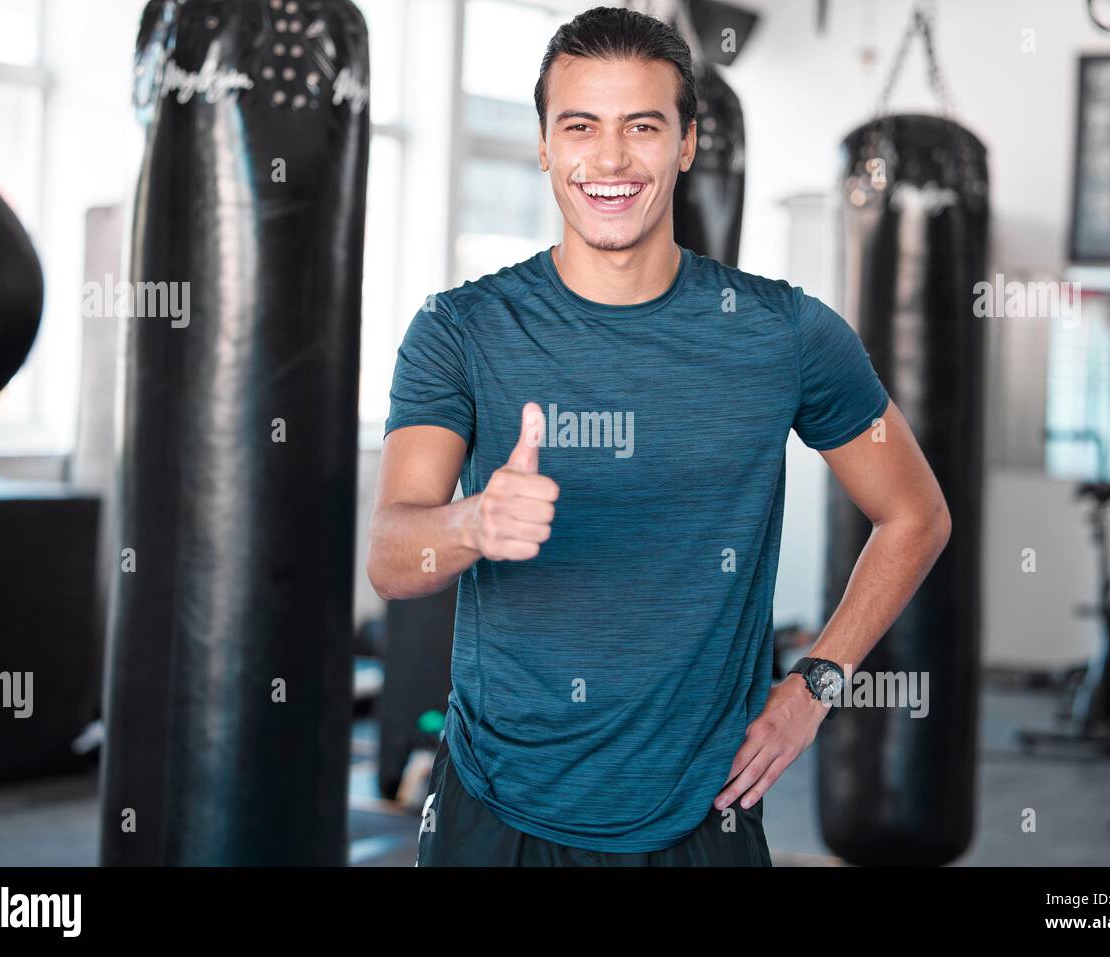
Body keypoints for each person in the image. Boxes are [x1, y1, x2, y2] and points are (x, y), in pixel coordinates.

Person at [367, 5, 950, 866]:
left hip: (699, 819)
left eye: (642, 126)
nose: (608, 160)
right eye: (580, 127)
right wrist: (471, 524)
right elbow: (389, 554)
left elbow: (916, 514)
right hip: (497, 809)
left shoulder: (785, 334)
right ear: (543, 145)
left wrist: (815, 685)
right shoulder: (461, 329)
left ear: (684, 144)